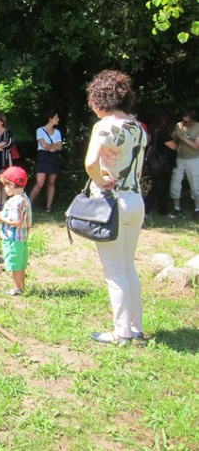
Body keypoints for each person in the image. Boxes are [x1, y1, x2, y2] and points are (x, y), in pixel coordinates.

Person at [85, 69, 146, 344]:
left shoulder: (105, 126)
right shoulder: (137, 127)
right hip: (135, 200)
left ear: (100, 99)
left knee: (114, 270)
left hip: (113, 203)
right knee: (128, 266)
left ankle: (120, 333)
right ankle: (135, 328)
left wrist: (100, 180)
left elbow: (90, 163)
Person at [0, 166, 32, 296]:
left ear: (12, 184)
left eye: (5, 186)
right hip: (21, 238)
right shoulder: (24, 198)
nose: (4, 188)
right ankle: (21, 286)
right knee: (20, 263)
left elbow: (17, 222)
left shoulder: (15, 202)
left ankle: (17, 288)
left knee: (15, 265)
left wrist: (1, 218)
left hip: (13, 238)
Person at [28, 110, 63, 214]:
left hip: (53, 157)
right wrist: (53, 146)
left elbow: (60, 147)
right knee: (39, 183)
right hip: (43, 157)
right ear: (50, 119)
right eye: (56, 117)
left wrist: (51, 147)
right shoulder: (40, 130)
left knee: (51, 182)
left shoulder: (57, 132)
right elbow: (44, 146)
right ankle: (28, 204)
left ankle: (49, 207)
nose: (58, 119)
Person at [144, 112, 177, 217]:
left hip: (156, 164)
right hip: (164, 164)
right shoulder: (162, 133)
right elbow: (173, 147)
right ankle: (146, 210)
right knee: (158, 187)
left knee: (162, 187)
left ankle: (163, 210)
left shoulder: (153, 132)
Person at [168, 109, 199, 220]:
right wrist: (175, 136)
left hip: (194, 159)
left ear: (193, 121)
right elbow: (174, 138)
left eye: (187, 122)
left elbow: (196, 146)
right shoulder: (179, 125)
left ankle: (197, 209)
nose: (184, 123)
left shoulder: (197, 128)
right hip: (180, 158)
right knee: (175, 184)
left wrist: (181, 137)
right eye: (183, 121)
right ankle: (176, 207)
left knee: (196, 186)